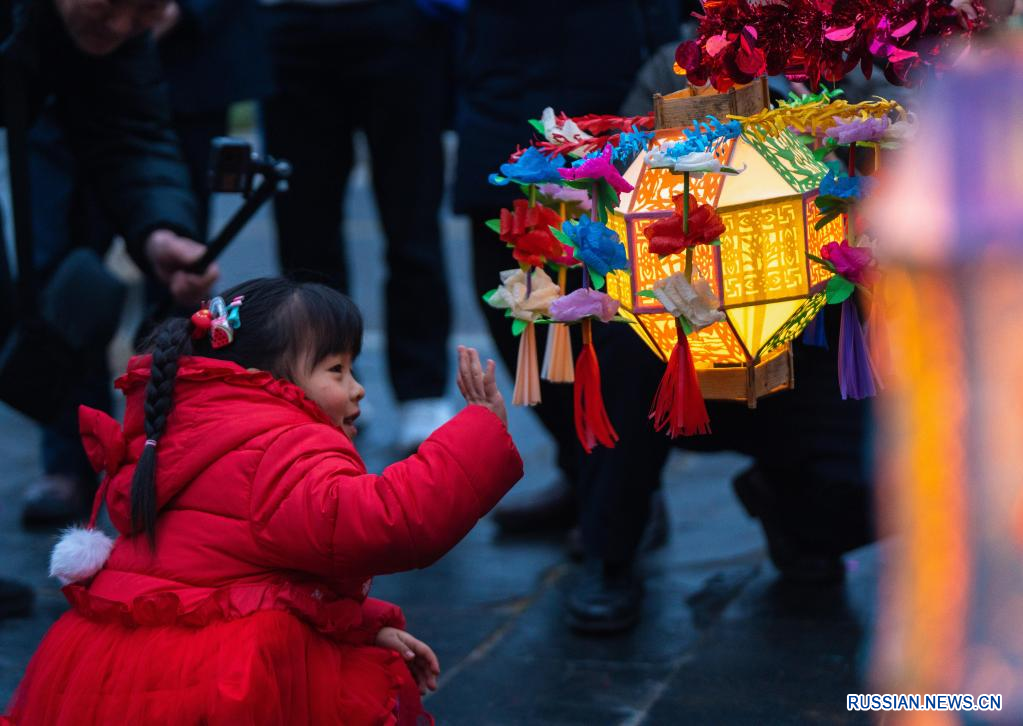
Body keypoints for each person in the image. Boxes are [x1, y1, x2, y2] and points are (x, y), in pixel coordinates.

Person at [4, 277, 522, 724]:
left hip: (114, 671)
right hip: (220, 678)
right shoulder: (281, 447)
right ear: (271, 381)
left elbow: (247, 576)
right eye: (336, 371)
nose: (359, 389)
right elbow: (387, 518)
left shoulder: (179, 430)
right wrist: (477, 435)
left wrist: (363, 626)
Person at [1, 0, 217, 609]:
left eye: (146, 12)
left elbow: (130, 129)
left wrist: (159, 231)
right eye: (113, 7)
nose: (123, 27)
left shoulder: (114, 31)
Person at [261, 0, 455, 452]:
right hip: (288, 19)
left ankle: (422, 390)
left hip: (399, 20)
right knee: (304, 231)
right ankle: (321, 381)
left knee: (413, 222)